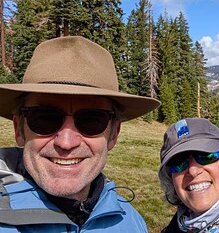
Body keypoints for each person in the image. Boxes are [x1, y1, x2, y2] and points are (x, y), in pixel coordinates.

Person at [0, 36, 160, 232]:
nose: (66, 142)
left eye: (92, 120)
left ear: (113, 135)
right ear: (19, 129)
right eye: (44, 118)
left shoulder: (131, 222)